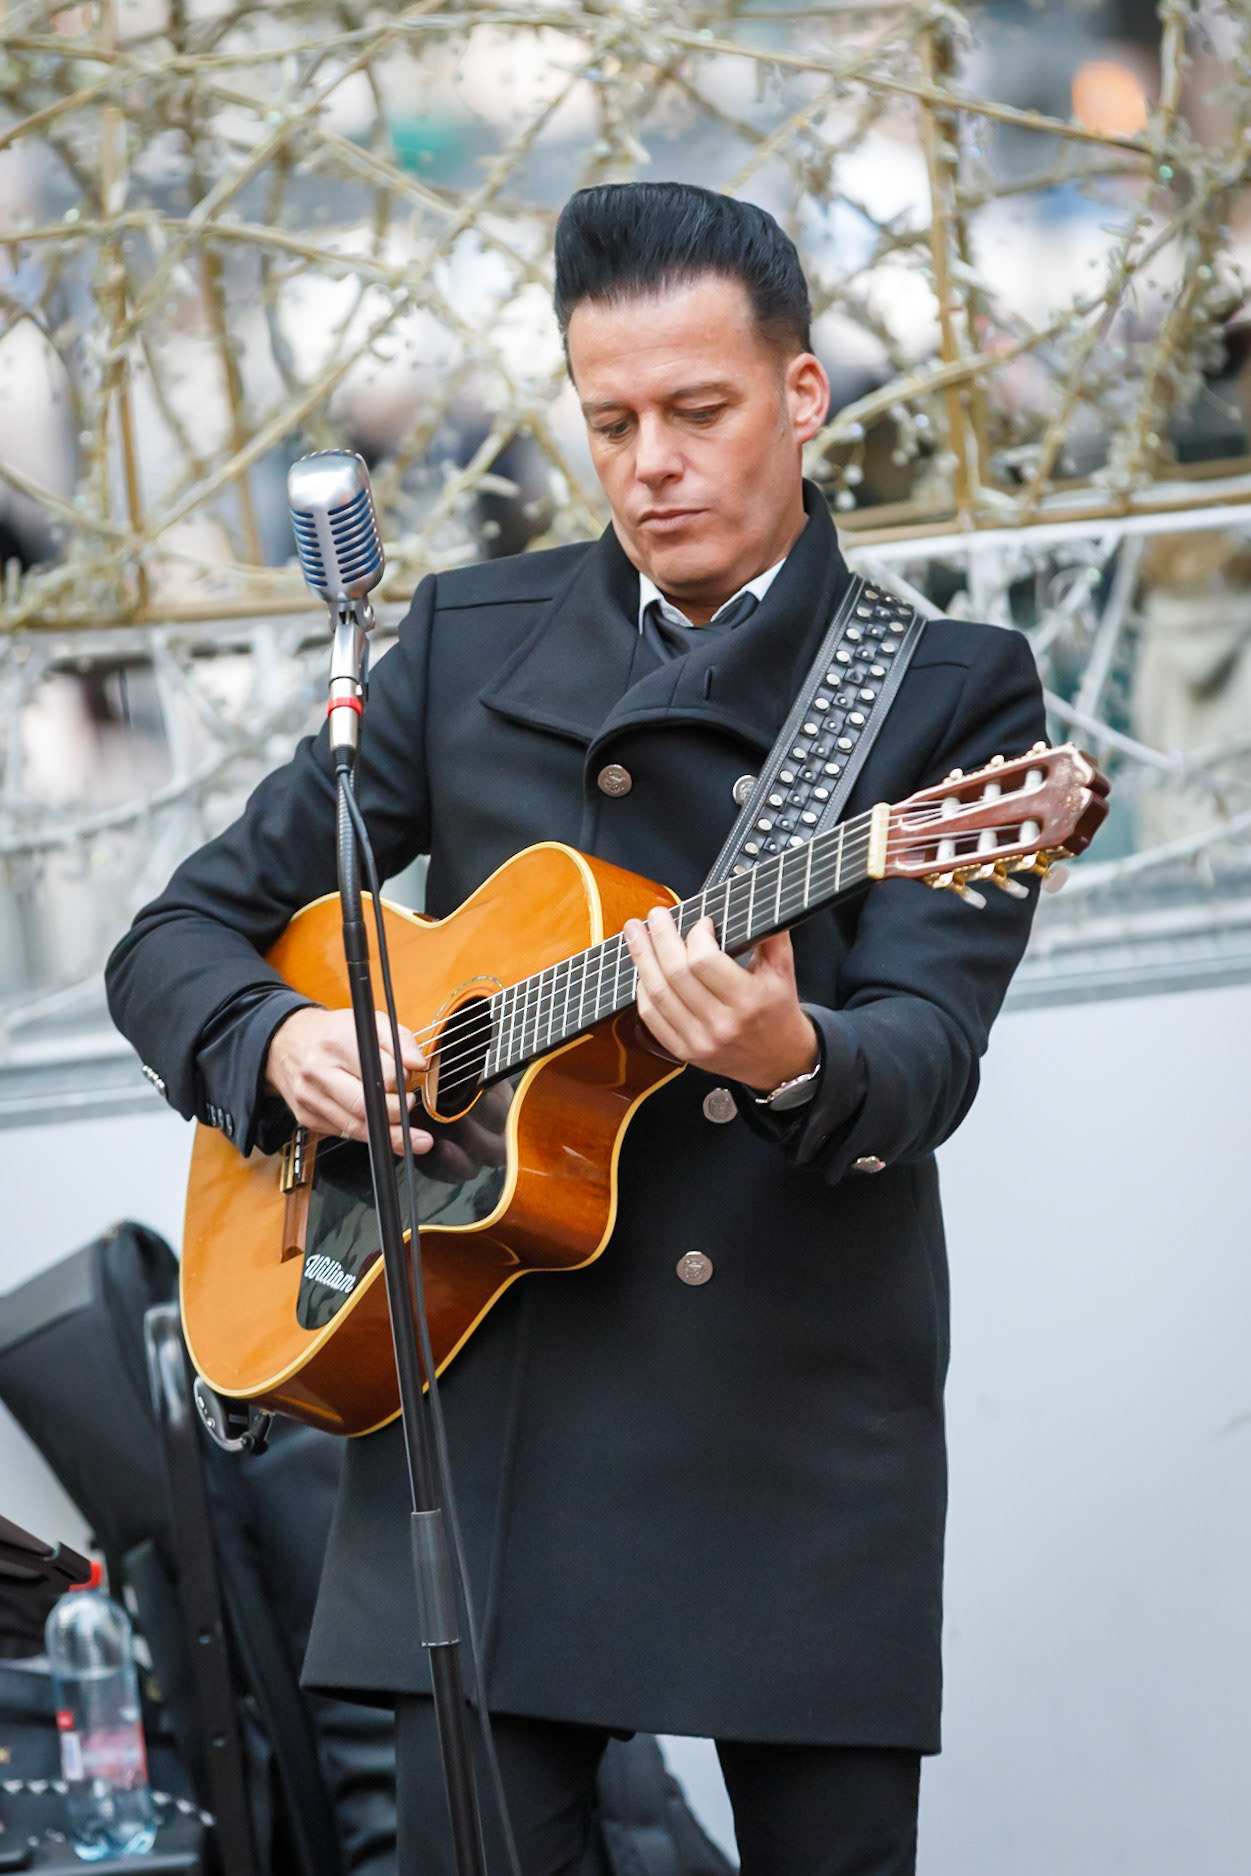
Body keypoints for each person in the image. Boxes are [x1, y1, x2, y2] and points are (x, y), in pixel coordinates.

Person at [106, 181, 1046, 1875]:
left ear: (804, 395)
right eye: (610, 420)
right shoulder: (466, 641)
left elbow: (928, 1050)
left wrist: (788, 1057)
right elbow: (179, 931)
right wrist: (276, 1048)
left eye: (699, 411)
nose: (651, 465)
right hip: (493, 1397)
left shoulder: (941, 691)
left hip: (787, 1415)